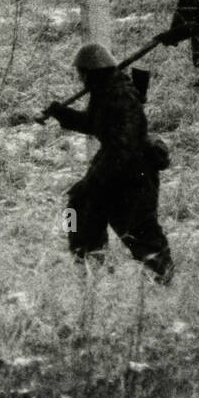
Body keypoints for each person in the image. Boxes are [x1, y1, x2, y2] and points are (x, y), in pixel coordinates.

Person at [43, 43, 174, 283]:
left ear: (90, 72)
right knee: (76, 208)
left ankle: (163, 278)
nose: (80, 78)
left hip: (133, 175)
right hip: (117, 169)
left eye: (81, 73)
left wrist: (98, 180)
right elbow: (94, 125)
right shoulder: (104, 90)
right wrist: (61, 113)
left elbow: (123, 145)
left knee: (139, 230)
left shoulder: (119, 96)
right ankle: (86, 264)